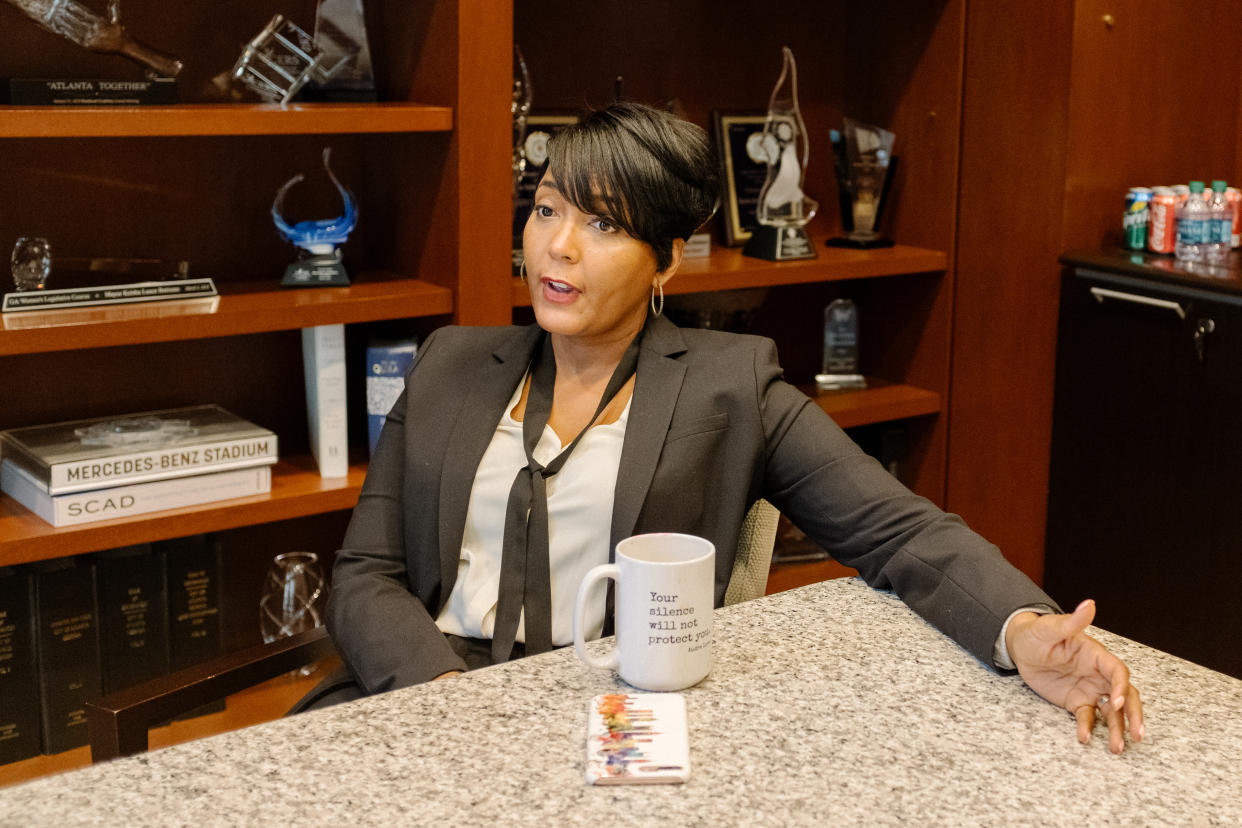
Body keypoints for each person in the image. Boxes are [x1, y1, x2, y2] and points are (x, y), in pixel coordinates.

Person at [301, 101, 1143, 755]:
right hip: (424, 691)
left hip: (609, 708)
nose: (557, 248)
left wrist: (1023, 630)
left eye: (605, 225)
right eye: (548, 209)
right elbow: (366, 574)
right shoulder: (450, 362)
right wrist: (450, 699)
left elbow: (898, 529)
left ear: (667, 260)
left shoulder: (729, 384)